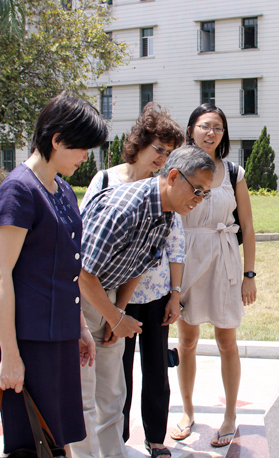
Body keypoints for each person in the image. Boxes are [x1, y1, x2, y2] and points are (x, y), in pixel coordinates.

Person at [70, 145, 215, 458]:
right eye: (197, 190)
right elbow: (82, 273)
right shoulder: (125, 208)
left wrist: (117, 312)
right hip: (79, 299)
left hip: (107, 295)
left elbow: (138, 265)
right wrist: (115, 317)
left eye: (205, 194)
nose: (199, 200)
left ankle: (113, 454)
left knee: (112, 394)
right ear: (173, 177)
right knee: (84, 396)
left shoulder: (166, 212)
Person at [0, 94, 108, 454]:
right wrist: (10, 355)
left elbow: (66, 269)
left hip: (59, 332)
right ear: (57, 140)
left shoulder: (63, 189)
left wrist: (80, 328)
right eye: (82, 148)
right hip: (27, 336)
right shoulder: (18, 191)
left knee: (55, 436)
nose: (85, 157)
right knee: (30, 439)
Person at [78, 104, 185, 458]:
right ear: (138, 143)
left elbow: (172, 245)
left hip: (145, 292)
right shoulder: (106, 181)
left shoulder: (165, 189)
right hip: (100, 294)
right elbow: (85, 252)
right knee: (103, 380)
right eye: (159, 149)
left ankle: (147, 440)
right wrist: (114, 313)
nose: (162, 158)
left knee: (142, 374)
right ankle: (111, 444)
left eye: (169, 154)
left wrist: (174, 293)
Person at [171, 104, 257, 448]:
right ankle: (187, 411)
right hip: (185, 258)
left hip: (223, 258)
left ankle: (230, 415)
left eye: (218, 128)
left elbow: (247, 226)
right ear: (191, 129)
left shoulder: (233, 172)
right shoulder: (176, 168)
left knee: (226, 341)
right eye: (205, 126)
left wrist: (249, 273)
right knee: (187, 340)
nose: (211, 133)